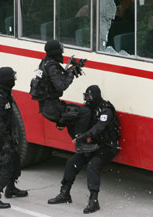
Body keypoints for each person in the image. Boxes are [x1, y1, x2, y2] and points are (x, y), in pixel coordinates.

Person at [48, 85, 120, 214]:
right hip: (91, 145)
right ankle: (64, 193)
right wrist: (61, 122)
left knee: (93, 165)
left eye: (89, 97)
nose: (87, 100)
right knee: (72, 163)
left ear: (96, 96)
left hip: (107, 146)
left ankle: (94, 200)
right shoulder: (87, 109)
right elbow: (75, 119)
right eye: (85, 97)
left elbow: (99, 127)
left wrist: (84, 136)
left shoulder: (106, 110)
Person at [30, 39, 97, 152]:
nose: (62, 54)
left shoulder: (45, 62)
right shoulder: (52, 67)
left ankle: (78, 141)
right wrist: (70, 74)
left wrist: (68, 72)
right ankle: (80, 144)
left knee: (71, 117)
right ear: (56, 52)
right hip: (52, 108)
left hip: (48, 106)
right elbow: (61, 86)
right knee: (84, 112)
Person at [0, 67, 28, 209]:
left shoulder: (5, 93)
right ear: (6, 79)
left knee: (15, 162)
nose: (14, 80)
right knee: (7, 166)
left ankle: (11, 189)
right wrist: (7, 142)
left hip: (5, 137)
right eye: (12, 77)